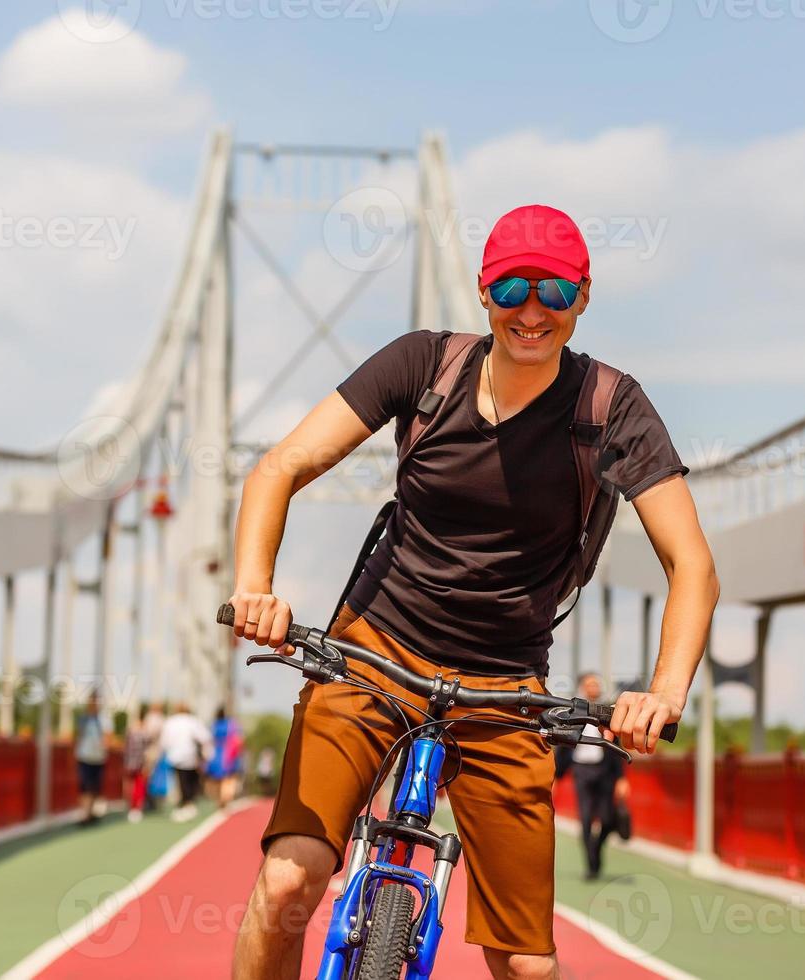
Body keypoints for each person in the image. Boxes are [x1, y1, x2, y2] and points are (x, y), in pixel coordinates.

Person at [227, 204, 718, 979]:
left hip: (506, 686)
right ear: (483, 293)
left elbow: (691, 566)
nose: (532, 312)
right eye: (512, 289)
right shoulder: (426, 366)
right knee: (288, 881)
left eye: (553, 293)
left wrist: (662, 692)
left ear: (582, 298)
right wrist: (254, 588)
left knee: (526, 966)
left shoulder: (610, 409)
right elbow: (277, 469)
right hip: (374, 654)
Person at [555, 673, 630, 881]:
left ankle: (596, 848)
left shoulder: (608, 711)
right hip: (581, 771)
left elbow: (616, 745)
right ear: (582, 687)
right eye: (589, 684)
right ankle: (592, 866)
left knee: (607, 819)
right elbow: (562, 745)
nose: (593, 687)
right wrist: (555, 776)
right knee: (586, 820)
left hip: (604, 772)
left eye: (596, 684)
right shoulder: (573, 712)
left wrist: (622, 779)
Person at [159, 702, 211, 822]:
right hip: (189, 756)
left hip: (174, 756)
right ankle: (187, 803)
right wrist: (205, 754)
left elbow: (164, 741)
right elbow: (204, 737)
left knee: (179, 782)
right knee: (188, 781)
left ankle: (183, 804)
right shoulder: (192, 721)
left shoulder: (170, 722)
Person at [74, 689, 108, 826]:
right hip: (84, 756)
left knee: (94, 786)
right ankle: (85, 814)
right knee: (85, 786)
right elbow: (79, 736)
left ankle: (91, 812)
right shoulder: (83, 718)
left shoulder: (104, 719)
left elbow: (107, 737)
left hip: (98, 757)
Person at [205, 707, 244, 809]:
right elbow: (239, 740)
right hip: (229, 755)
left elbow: (208, 739)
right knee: (228, 778)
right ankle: (225, 797)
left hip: (216, 754)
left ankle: (220, 798)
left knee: (217, 779)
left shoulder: (214, 725)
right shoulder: (232, 725)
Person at [124, 703, 154, 823]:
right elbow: (148, 748)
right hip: (140, 761)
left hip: (130, 761)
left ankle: (132, 806)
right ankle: (136, 807)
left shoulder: (131, 730)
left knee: (132, 785)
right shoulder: (145, 732)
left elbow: (126, 745)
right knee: (139, 785)